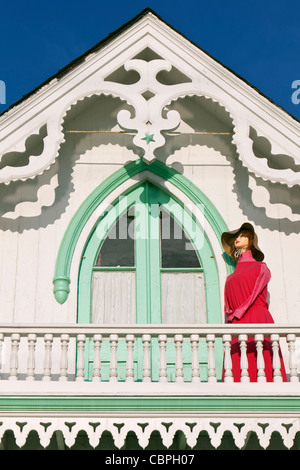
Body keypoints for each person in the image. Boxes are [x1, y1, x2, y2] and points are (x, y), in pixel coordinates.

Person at [221, 222, 287, 382]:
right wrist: (231, 315)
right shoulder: (230, 277)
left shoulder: (261, 268)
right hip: (236, 322)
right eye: (236, 236)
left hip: (257, 317)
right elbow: (227, 304)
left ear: (251, 240)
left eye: (242, 235)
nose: (238, 238)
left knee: (264, 366)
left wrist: (237, 313)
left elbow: (254, 293)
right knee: (237, 370)